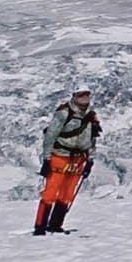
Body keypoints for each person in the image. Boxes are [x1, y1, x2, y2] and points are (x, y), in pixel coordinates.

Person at [34, 84, 101, 235]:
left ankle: (55, 225)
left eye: (87, 95)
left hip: (78, 159)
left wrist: (90, 160)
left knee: (67, 193)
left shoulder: (91, 116)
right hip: (59, 156)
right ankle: (40, 227)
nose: (85, 98)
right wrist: (47, 159)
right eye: (81, 95)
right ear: (75, 96)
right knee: (51, 192)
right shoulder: (64, 113)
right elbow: (50, 136)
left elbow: (92, 139)